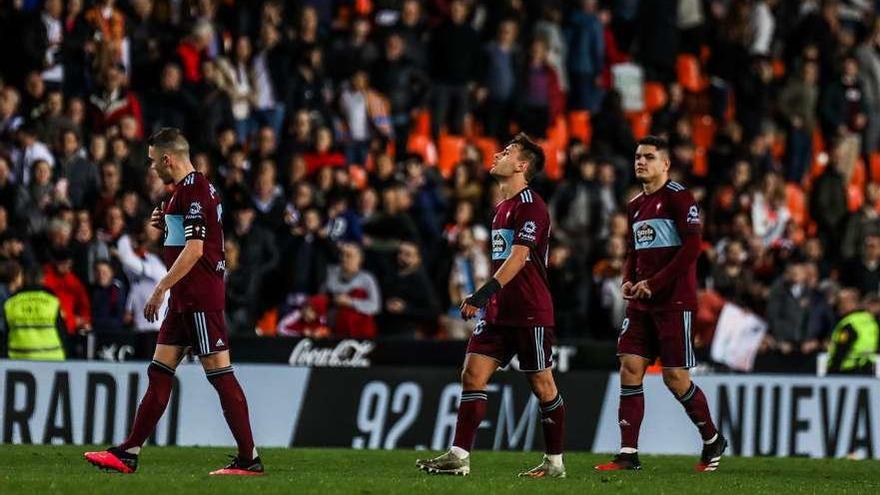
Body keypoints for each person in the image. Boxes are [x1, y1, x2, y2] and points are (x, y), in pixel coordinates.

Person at [83, 128, 263, 475]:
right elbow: (184, 241)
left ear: (168, 159)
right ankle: (129, 452)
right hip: (185, 298)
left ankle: (248, 458)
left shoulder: (194, 191)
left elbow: (195, 251)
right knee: (159, 371)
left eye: (153, 162)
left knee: (220, 375)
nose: (151, 169)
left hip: (198, 298)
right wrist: (166, 225)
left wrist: (159, 288)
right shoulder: (187, 191)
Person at [416, 133, 565, 478]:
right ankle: (459, 455)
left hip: (530, 310)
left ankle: (555, 463)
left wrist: (481, 293)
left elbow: (520, 256)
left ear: (522, 166)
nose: (498, 154)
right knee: (472, 374)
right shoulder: (500, 209)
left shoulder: (532, 205)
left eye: (508, 152)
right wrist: (491, 300)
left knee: (543, 385)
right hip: (499, 312)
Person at [595, 136, 727, 472]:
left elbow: (692, 248)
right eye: (638, 156)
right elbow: (633, 252)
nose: (641, 162)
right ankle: (628, 453)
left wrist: (655, 283)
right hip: (641, 303)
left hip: (674, 302)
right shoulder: (635, 204)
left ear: (665, 164)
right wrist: (628, 277)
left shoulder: (680, 198)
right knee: (630, 366)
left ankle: (712, 439)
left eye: (649, 157)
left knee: (675, 377)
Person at [2, 264, 66, 360]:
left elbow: (4, 337)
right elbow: (62, 333)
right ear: (42, 280)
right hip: (52, 360)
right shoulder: (52, 301)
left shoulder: (10, 303)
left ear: (23, 280)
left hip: (17, 361)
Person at [827, 289, 879, 375]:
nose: (839, 306)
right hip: (868, 370)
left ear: (849, 303)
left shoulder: (849, 323)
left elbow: (841, 350)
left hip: (847, 371)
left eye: (841, 302)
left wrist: (831, 371)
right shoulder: (870, 321)